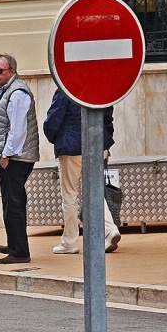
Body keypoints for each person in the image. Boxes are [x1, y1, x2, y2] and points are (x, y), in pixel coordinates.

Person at [42, 88, 121, 254]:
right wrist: (105, 145)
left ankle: (69, 242)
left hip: (71, 146)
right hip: (97, 143)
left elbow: (53, 120)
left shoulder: (65, 88)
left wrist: (57, 138)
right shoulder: (101, 89)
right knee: (95, 192)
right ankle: (110, 229)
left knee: (70, 195)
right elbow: (108, 119)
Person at [0, 53, 39, 265]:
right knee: (13, 202)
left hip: (15, 157)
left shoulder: (17, 93)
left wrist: (7, 154)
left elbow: (18, 130)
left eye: (0, 71)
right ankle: (15, 243)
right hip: (14, 156)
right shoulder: (7, 92)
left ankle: (19, 251)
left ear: (12, 71)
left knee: (13, 203)